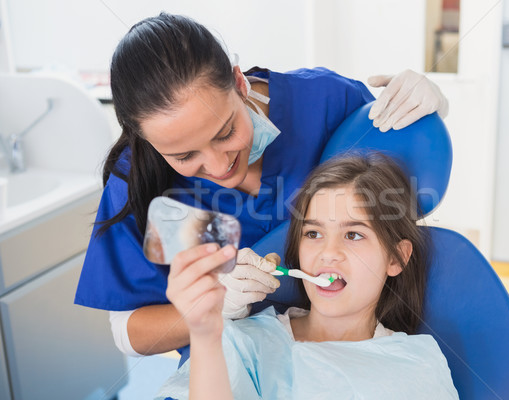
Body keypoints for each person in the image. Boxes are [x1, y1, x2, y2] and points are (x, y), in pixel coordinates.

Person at [74, 12, 450, 364]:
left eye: (226, 133)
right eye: (186, 155)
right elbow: (128, 332)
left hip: (354, 358)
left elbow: (406, 178)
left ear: (239, 84)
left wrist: (429, 112)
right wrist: (212, 306)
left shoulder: (324, 103)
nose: (220, 167)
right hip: (230, 372)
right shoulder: (135, 179)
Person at [155, 153, 459, 399]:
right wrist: (205, 334)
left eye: (353, 235)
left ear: (396, 258)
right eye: (313, 233)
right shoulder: (243, 344)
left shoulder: (417, 364)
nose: (328, 252)